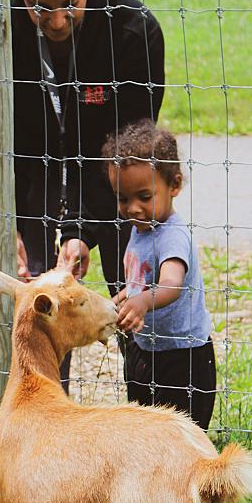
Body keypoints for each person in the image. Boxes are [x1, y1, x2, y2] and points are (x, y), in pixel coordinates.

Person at [6, 0, 165, 387]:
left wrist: (82, 232)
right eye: (38, 7)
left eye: (69, 5)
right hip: (36, 185)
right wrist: (15, 222)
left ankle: (158, 425)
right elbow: (16, 145)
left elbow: (132, 152)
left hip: (118, 191)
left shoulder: (132, 31)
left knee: (136, 317)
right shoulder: (1, 30)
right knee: (39, 320)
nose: (54, 21)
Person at [102, 120, 216, 430]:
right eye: (123, 199)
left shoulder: (172, 235)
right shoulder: (142, 228)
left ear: (174, 186)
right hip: (147, 349)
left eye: (144, 196)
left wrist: (140, 303)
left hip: (183, 357)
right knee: (147, 433)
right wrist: (124, 300)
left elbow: (171, 284)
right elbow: (141, 281)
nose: (133, 208)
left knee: (183, 436)